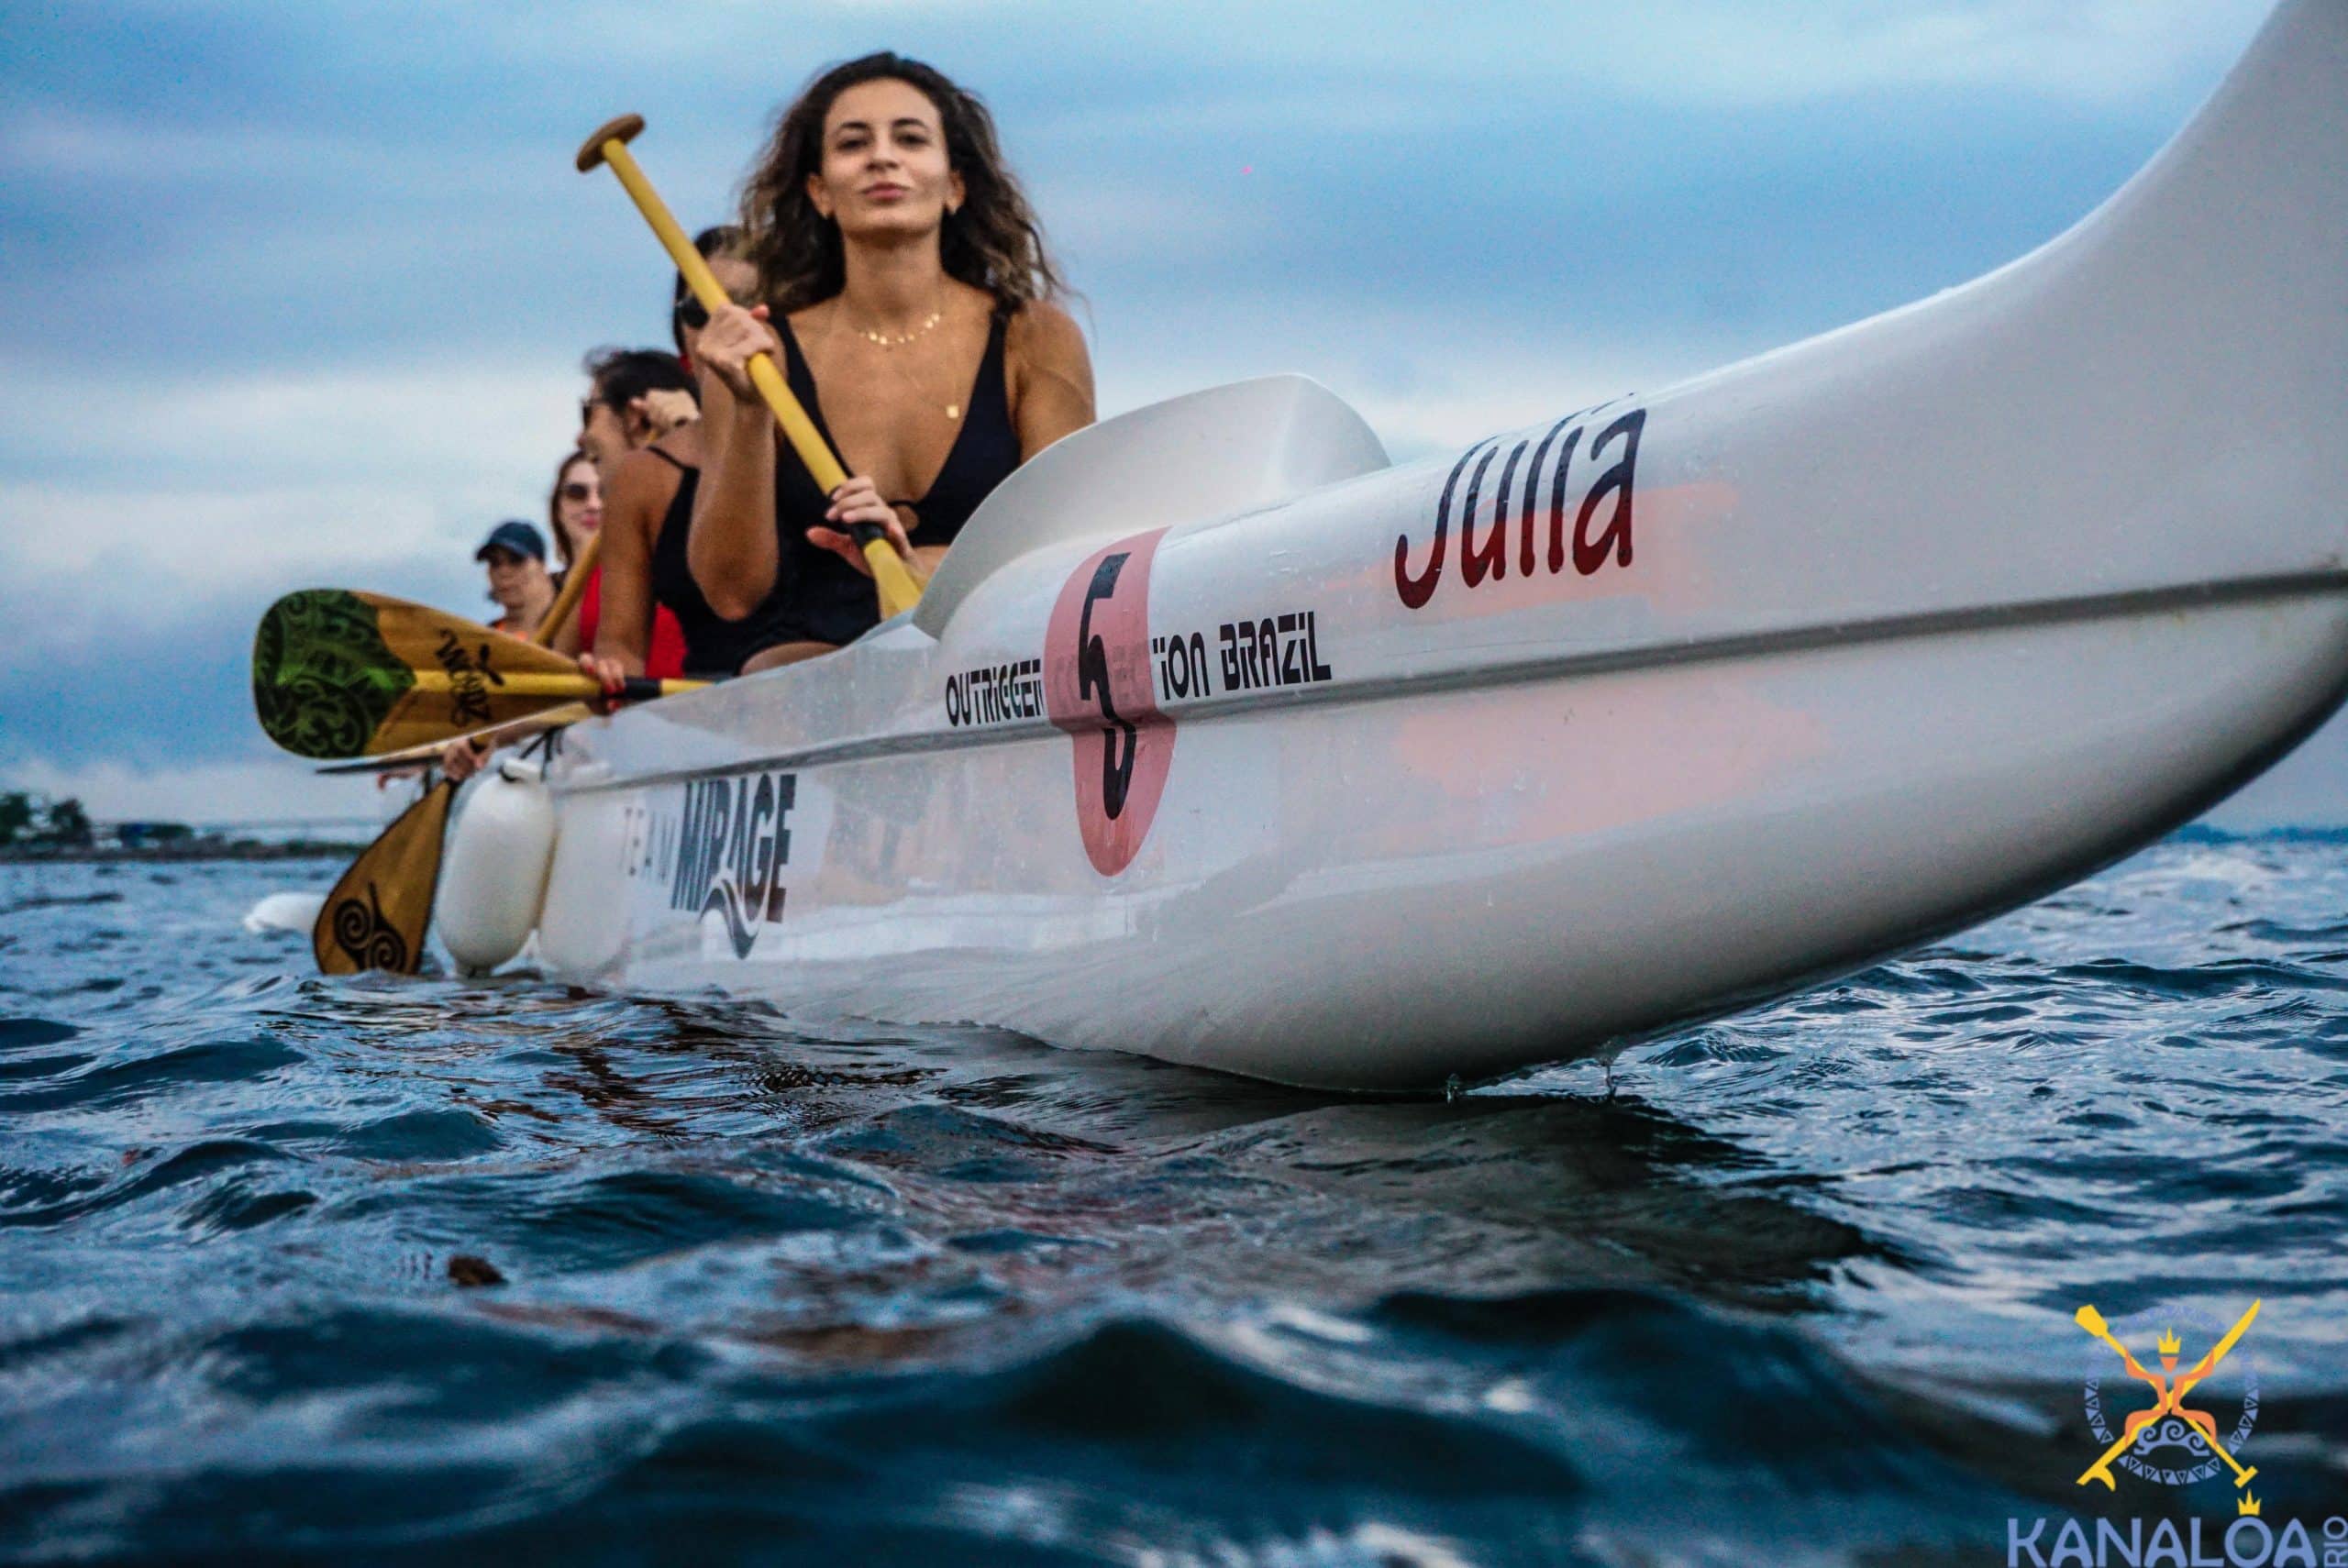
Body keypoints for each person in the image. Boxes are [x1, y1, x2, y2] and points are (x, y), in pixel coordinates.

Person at [689, 51, 1096, 673]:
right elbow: (731, 593)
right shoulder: (760, 354)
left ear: (954, 184)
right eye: (854, 143)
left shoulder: (1034, 337)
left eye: (910, 138)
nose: (883, 157)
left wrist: (924, 566)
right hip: (813, 687)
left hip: (996, 667)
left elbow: (1068, 547)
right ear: (819, 191)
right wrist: (749, 412)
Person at [581, 226, 790, 689]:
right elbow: (621, 647)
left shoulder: (842, 435)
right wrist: (610, 674)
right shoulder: (643, 478)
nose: (727, 328)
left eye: (748, 304)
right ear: (683, 340)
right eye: (701, 311)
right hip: (707, 724)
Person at [475, 520, 553, 638]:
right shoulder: (483, 641)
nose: (504, 572)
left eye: (516, 560)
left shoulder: (570, 628)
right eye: (495, 563)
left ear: (542, 566)